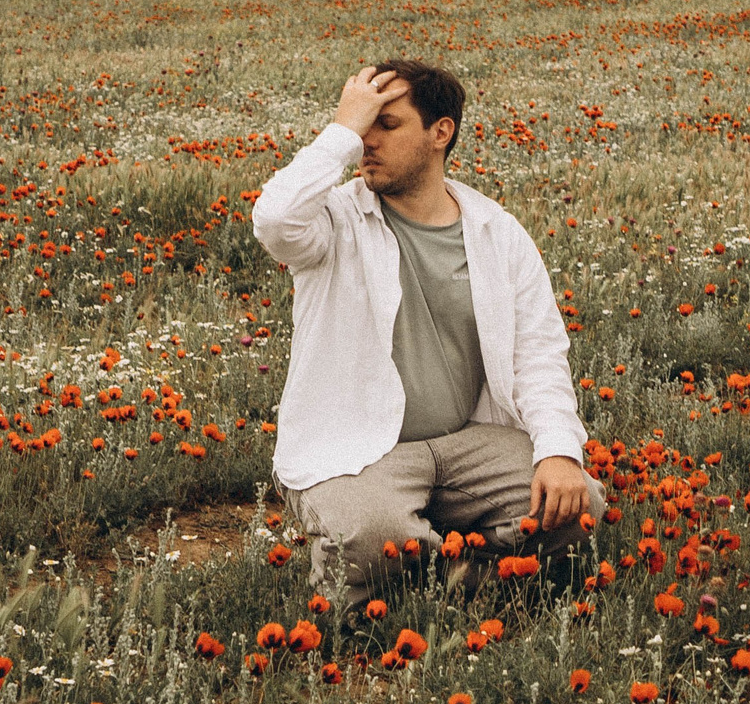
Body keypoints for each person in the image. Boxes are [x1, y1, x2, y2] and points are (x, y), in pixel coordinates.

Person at [252, 60, 602, 592]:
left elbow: (538, 353)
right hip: (357, 452)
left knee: (580, 509)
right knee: (375, 538)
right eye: (362, 125)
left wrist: (557, 451)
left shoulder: (496, 233)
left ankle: (435, 573)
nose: (367, 141)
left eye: (385, 125)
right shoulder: (333, 221)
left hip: (466, 443)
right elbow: (275, 220)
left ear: (441, 133)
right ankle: (447, 569)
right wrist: (341, 132)